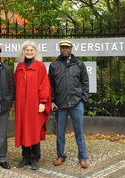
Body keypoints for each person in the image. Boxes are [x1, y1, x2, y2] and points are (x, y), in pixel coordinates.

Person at [49, 39, 89, 169]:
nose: (65, 49)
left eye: (67, 47)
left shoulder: (79, 64)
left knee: (79, 132)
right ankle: (61, 155)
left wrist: (83, 99)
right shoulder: (54, 65)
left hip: (77, 103)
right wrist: (52, 101)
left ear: (71, 49)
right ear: (60, 49)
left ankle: (82, 157)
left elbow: (85, 82)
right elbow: (51, 86)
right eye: (63, 47)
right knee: (60, 132)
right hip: (61, 104)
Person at [14, 41, 51, 170]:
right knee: (23, 129)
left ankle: (35, 158)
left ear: (35, 52)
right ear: (23, 52)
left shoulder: (40, 66)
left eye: (31, 50)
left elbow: (44, 85)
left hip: (34, 104)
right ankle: (25, 157)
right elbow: (15, 86)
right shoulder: (19, 67)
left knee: (34, 129)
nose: (29, 52)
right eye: (27, 50)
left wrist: (43, 102)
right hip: (21, 105)